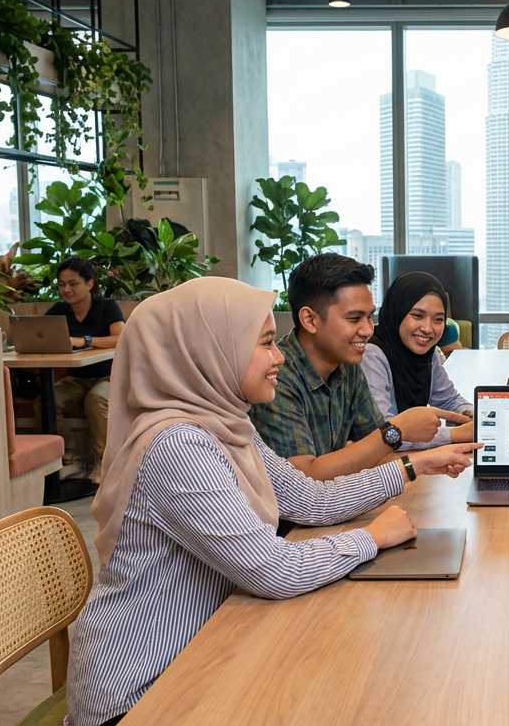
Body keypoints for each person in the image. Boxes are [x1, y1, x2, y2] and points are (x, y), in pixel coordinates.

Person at [65, 277, 478, 726]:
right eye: (263, 343)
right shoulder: (178, 446)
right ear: (210, 350)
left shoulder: (226, 423)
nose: (279, 355)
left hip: (208, 655)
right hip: (144, 692)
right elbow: (273, 570)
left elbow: (308, 500)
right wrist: (370, 539)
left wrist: (413, 468)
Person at [250, 254, 470, 480]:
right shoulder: (276, 376)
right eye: (355, 319)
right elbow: (303, 481)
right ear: (310, 320)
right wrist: (400, 429)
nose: (367, 330)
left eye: (369, 317)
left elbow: (378, 450)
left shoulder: (348, 365)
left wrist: (426, 462)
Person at [361, 272, 474, 450]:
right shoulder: (371, 355)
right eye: (417, 316)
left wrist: (477, 418)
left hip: (410, 460)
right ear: (397, 312)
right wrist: (456, 434)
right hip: (378, 465)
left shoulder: (429, 353)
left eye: (438, 319)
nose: (428, 328)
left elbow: (448, 399)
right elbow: (383, 432)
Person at [46, 256, 124, 480]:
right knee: (47, 400)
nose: (66, 290)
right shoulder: (59, 310)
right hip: (76, 378)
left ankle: (104, 463)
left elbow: (121, 338)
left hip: (108, 376)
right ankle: (70, 460)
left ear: (89, 284)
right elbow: (41, 333)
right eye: (62, 285)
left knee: (96, 399)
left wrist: (86, 340)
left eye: (73, 284)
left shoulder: (107, 306)